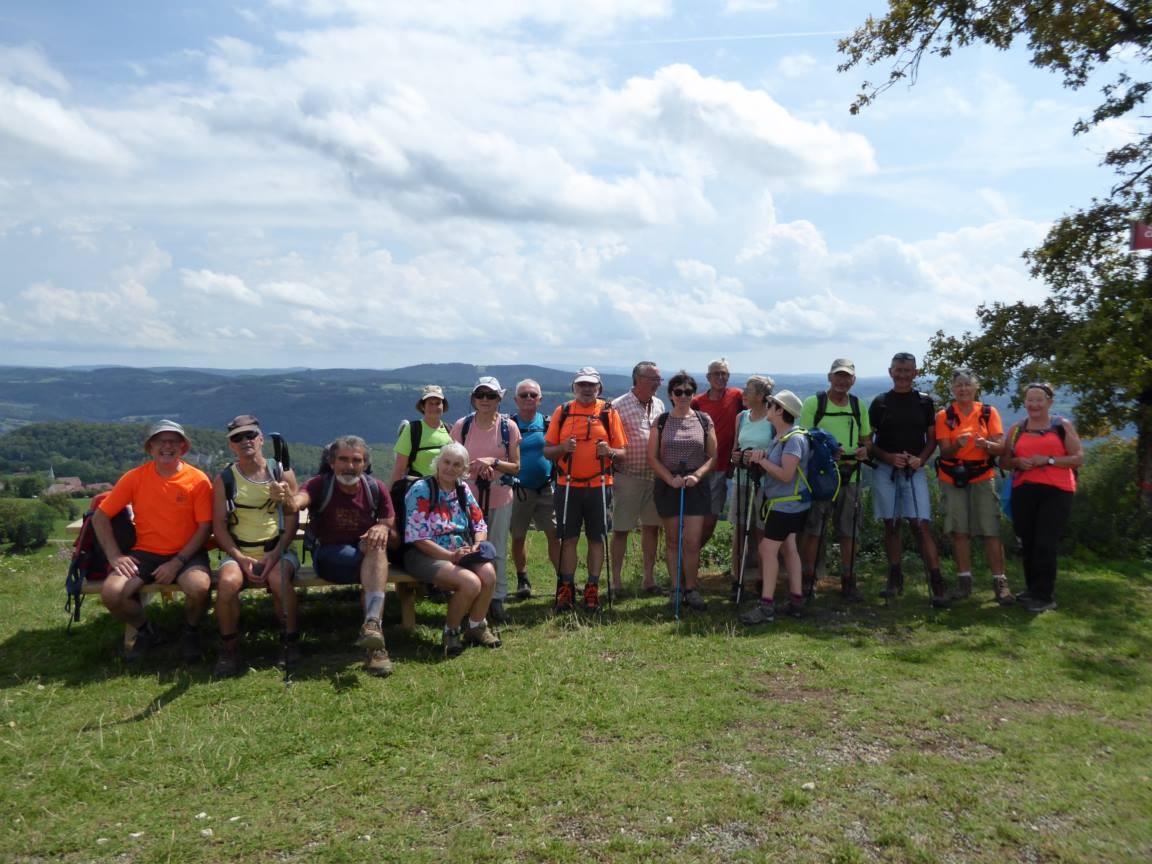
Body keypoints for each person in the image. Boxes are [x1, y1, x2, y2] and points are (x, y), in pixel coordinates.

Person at [93, 420, 213, 663]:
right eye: (161, 441)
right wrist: (115, 556)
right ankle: (146, 631)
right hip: (145, 552)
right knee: (112, 593)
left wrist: (177, 562)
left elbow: (204, 527)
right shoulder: (135, 478)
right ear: (150, 448)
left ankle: (190, 631)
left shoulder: (198, 480)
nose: (167, 446)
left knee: (199, 587)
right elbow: (100, 516)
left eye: (173, 441)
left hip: (187, 553)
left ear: (183, 447)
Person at [281, 436, 396, 677]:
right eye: (343, 459)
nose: (350, 466)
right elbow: (297, 503)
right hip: (330, 557)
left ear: (365, 464)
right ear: (331, 463)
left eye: (356, 460)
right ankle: (375, 643)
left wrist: (382, 528)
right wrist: (286, 500)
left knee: (376, 546)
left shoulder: (375, 487)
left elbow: (387, 523)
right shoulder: (318, 485)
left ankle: (373, 630)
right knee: (374, 565)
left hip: (363, 556)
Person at [210, 415, 301, 677]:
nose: (245, 441)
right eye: (237, 438)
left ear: (261, 439)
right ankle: (229, 648)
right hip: (241, 551)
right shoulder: (226, 479)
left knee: (279, 580)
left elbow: (292, 516)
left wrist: (276, 553)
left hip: (279, 548)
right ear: (231, 445)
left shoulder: (281, 473)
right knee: (227, 585)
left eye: (250, 436)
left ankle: (290, 640)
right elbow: (219, 526)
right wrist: (239, 557)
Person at [403, 442, 502, 655]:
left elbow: (479, 523)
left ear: (464, 470)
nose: (450, 468)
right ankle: (451, 631)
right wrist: (450, 556)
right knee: (470, 583)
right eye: (446, 462)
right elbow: (417, 536)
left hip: (460, 549)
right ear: (438, 463)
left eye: (457, 465)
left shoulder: (462, 488)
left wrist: (477, 544)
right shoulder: (421, 489)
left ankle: (476, 627)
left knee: (488, 574)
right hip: (424, 552)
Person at [543, 367, 628, 613]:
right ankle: (567, 587)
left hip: (600, 485)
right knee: (568, 538)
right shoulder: (563, 411)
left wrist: (609, 452)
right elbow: (547, 450)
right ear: (574, 387)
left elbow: (622, 452)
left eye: (591, 385)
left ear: (599, 388)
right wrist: (562, 448)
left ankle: (592, 587)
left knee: (596, 538)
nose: (587, 389)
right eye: (582, 385)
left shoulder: (608, 412)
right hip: (567, 484)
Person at [869, 352, 950, 607]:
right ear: (890, 372)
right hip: (886, 469)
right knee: (891, 524)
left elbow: (933, 438)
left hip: (914, 469)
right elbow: (868, 442)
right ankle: (895, 578)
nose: (902, 375)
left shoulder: (925, 403)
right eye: (898, 370)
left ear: (915, 373)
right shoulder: (880, 402)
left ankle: (936, 581)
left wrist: (920, 460)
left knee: (919, 524)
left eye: (907, 371)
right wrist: (888, 457)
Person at [996, 382, 1083, 612]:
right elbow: (1004, 461)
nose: (1034, 404)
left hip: (1057, 490)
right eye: (1030, 400)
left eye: (1039, 400)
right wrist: (1017, 462)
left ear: (1049, 402)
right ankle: (1033, 589)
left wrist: (1049, 460)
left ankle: (1045, 596)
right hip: (1024, 489)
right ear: (1025, 403)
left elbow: (1078, 457)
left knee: (1046, 542)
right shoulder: (1017, 428)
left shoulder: (1061, 425)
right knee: (1028, 542)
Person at [933, 369, 1012, 604]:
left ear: (975, 387)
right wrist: (957, 444)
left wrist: (985, 444)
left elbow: (1000, 448)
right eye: (958, 385)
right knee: (960, 531)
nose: (963, 389)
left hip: (982, 474)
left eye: (967, 384)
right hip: (952, 477)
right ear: (952, 389)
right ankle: (964, 581)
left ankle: (1000, 582)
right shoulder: (944, 415)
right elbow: (944, 451)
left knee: (990, 530)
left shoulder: (988, 412)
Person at [798, 360, 873, 602]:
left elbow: (866, 439)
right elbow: (803, 440)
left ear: (853, 380)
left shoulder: (857, 405)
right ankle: (808, 579)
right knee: (813, 530)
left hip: (851, 474)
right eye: (838, 376)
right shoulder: (813, 404)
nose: (842, 381)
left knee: (848, 531)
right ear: (829, 377)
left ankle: (848, 581)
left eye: (847, 377)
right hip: (821, 478)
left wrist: (864, 450)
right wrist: (826, 451)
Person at [451, 376, 521, 625]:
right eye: (480, 395)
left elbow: (516, 466)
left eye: (490, 396)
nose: (484, 400)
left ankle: (496, 598)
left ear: (499, 399)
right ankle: (470, 594)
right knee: (468, 548)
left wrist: (493, 463)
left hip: (499, 495)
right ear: (473, 398)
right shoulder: (462, 426)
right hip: (466, 498)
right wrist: (473, 470)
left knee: (497, 549)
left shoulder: (508, 427)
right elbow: (450, 463)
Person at [647, 371, 717, 612]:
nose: (684, 396)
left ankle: (691, 588)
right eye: (679, 392)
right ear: (671, 395)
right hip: (669, 485)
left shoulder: (704, 420)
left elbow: (713, 457)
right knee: (673, 540)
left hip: (695, 486)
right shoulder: (662, 421)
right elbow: (652, 458)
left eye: (688, 391)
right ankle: (676, 588)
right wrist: (670, 479)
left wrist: (697, 475)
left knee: (692, 541)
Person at [740, 390, 812, 624]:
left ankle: (767, 605)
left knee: (767, 550)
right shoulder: (783, 436)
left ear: (780, 410)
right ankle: (796, 599)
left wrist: (762, 461)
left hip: (785, 507)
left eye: (771, 404)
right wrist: (763, 458)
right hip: (789, 505)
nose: (767, 406)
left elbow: (786, 475)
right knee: (789, 548)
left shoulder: (793, 440)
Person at [609, 361, 667, 597]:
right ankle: (615, 581)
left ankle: (648, 579)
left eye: (658, 379)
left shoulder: (659, 404)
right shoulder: (618, 406)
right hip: (628, 477)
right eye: (653, 379)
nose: (657, 384)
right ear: (638, 379)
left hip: (654, 477)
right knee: (621, 530)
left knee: (652, 529)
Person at [508, 378, 559, 601]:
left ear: (540, 399)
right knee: (518, 536)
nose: (528, 398)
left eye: (532, 395)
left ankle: (562, 580)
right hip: (518, 489)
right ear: (515, 399)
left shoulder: (548, 423)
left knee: (554, 534)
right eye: (524, 395)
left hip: (546, 488)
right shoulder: (508, 425)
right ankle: (522, 579)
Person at [728, 374, 776, 602]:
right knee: (739, 530)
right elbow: (735, 449)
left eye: (748, 391)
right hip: (742, 479)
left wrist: (760, 459)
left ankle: (761, 580)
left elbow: (778, 452)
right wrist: (737, 457)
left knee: (761, 532)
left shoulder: (773, 419)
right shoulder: (742, 417)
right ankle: (736, 579)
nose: (743, 394)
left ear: (761, 396)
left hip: (765, 482)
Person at [691, 358, 745, 553]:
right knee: (694, 522)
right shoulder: (697, 402)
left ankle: (689, 560)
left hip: (723, 467)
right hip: (698, 468)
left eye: (724, 374)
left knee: (709, 523)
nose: (720, 377)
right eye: (716, 373)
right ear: (708, 377)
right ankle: (685, 562)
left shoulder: (738, 396)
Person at [390, 385, 453, 484]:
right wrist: (391, 495)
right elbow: (400, 468)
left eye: (438, 403)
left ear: (443, 406)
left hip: (446, 491)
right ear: (423, 406)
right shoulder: (412, 429)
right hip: (419, 491)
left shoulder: (451, 430)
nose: (434, 407)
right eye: (430, 404)